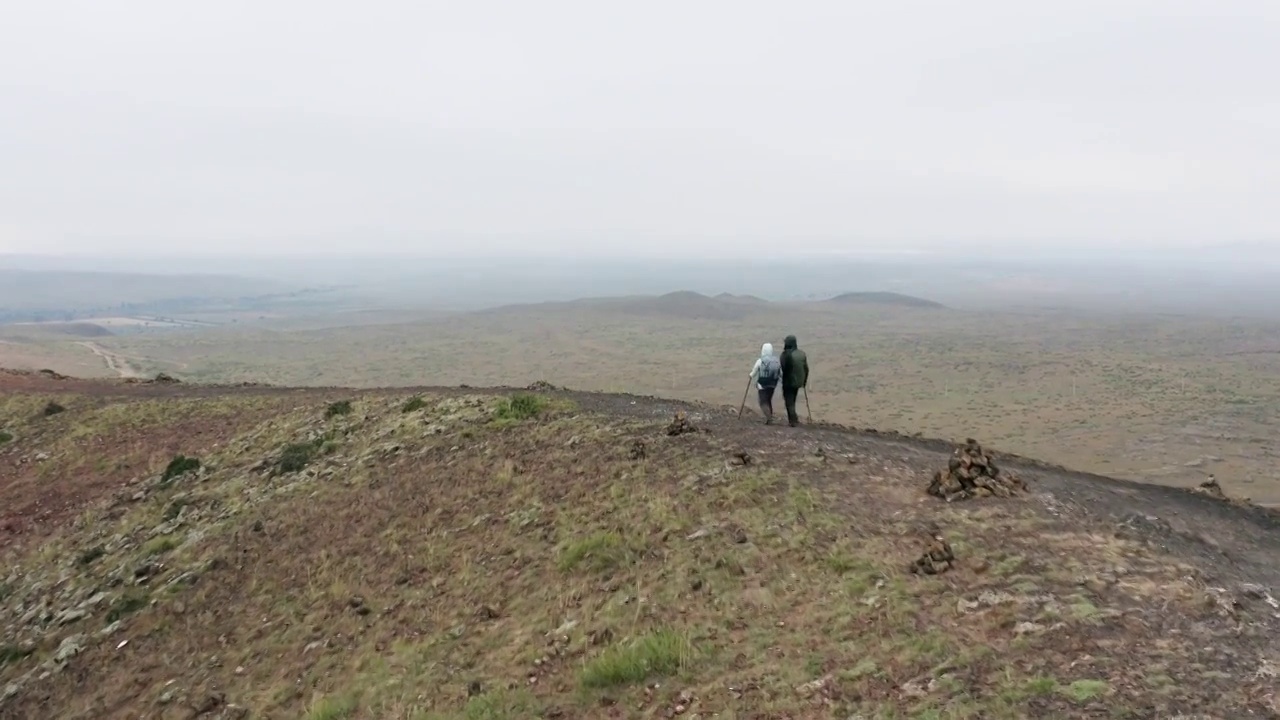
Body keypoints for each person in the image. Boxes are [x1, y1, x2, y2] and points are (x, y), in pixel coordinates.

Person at [748, 342, 781, 424]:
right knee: (768, 400)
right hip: (773, 384)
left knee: (762, 401)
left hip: (762, 385)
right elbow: (780, 373)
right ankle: (769, 417)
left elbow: (754, 371)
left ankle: (769, 419)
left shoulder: (760, 361)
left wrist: (750, 376)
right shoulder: (776, 361)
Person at [780, 334, 809, 427]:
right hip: (798, 382)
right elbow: (806, 369)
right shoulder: (802, 354)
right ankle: (794, 419)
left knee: (789, 401)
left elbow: (783, 369)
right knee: (793, 399)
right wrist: (804, 382)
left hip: (788, 382)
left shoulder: (784, 355)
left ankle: (793, 421)